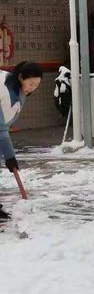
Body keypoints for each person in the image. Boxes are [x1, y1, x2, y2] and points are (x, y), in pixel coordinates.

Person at [0, 62, 43, 220]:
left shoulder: (19, 93)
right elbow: (1, 129)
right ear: (20, 77)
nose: (33, 88)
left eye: (36, 85)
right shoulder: (3, 90)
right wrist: (10, 157)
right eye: (31, 83)